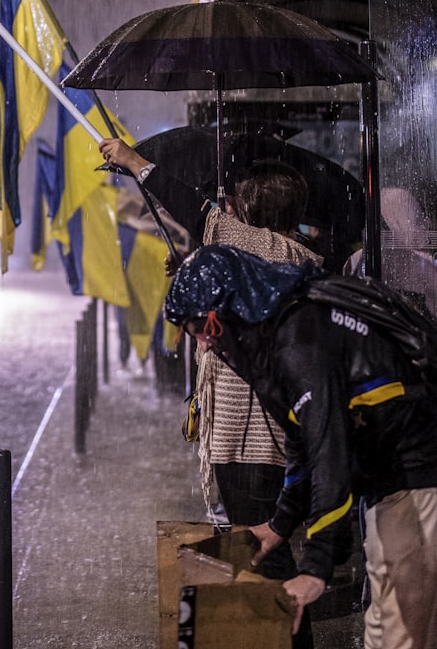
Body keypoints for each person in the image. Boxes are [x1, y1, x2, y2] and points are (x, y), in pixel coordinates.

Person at [100, 138, 321, 647]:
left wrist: (134, 164)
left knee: (267, 559)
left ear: (251, 214)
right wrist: (197, 274)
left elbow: (194, 212)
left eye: (238, 209)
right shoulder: (282, 262)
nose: (228, 214)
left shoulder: (278, 252)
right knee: (263, 555)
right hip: (256, 441)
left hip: (255, 442)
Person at [164, 243, 437, 647]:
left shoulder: (298, 342)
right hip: (390, 479)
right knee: (384, 628)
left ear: (220, 314)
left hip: (417, 477)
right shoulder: (276, 330)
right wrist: (281, 523)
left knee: (402, 636)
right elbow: (303, 440)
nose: (202, 345)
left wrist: (315, 567)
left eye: (199, 330)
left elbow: (330, 452)